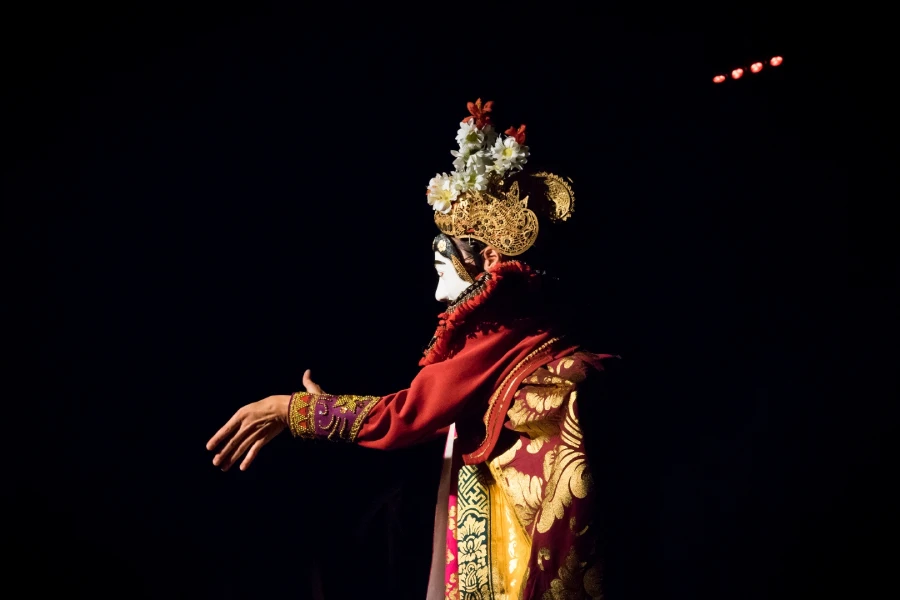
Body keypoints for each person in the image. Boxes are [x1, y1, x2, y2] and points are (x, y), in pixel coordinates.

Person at [207, 98, 619, 599]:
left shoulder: (498, 326)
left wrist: (294, 410)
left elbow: (408, 415)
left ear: (488, 257)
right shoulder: (532, 315)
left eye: (446, 272)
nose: (440, 294)